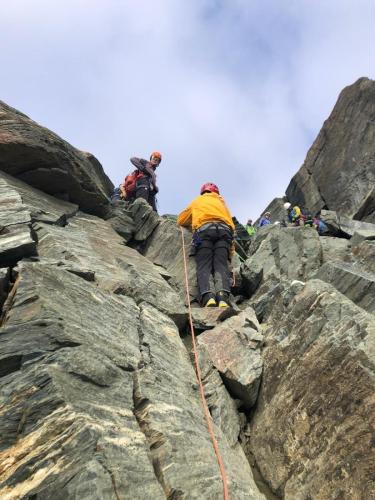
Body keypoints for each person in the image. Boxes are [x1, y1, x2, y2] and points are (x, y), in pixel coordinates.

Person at [177, 183, 235, 308]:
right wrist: (231, 250)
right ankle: (222, 297)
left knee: (204, 264)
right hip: (225, 232)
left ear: (203, 191)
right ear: (216, 192)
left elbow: (181, 219)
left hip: (204, 231)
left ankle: (208, 297)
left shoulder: (198, 200)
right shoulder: (221, 202)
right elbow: (231, 223)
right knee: (221, 265)